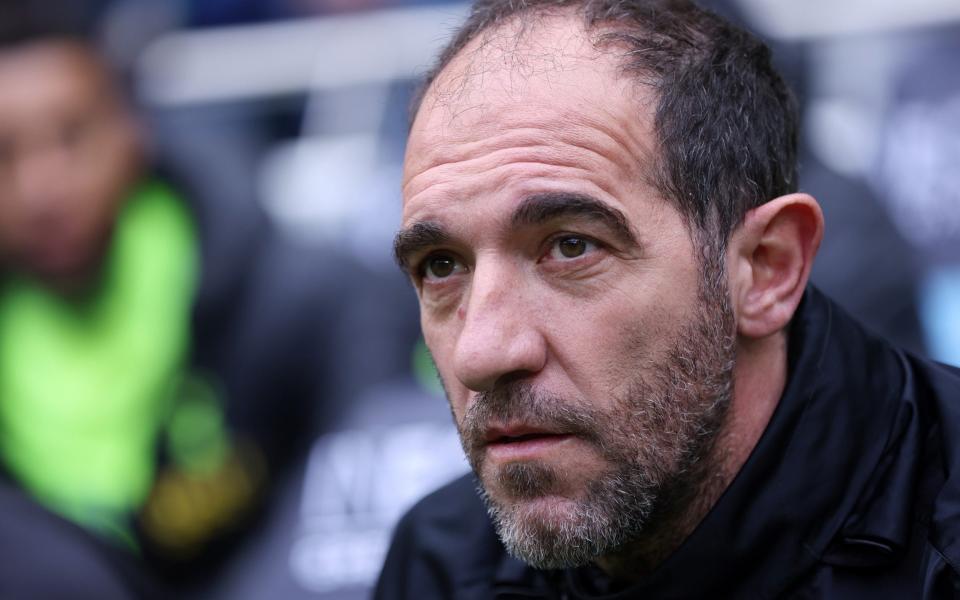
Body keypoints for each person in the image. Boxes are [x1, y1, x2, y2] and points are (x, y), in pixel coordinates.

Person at [375, 0, 960, 597]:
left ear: (766, 268)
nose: (481, 353)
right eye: (440, 265)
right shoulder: (440, 563)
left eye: (572, 246)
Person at [0, 4, 348, 595]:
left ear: (136, 129)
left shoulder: (298, 294)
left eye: (72, 136)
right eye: (2, 154)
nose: (41, 189)